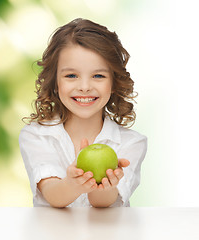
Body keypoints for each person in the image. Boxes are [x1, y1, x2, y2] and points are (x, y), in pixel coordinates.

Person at [19, 18, 147, 208]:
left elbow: (102, 204)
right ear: (55, 82)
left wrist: (104, 185)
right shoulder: (36, 136)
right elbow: (53, 195)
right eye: (71, 75)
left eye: (98, 76)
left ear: (114, 83)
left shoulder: (132, 143)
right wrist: (73, 184)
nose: (85, 87)